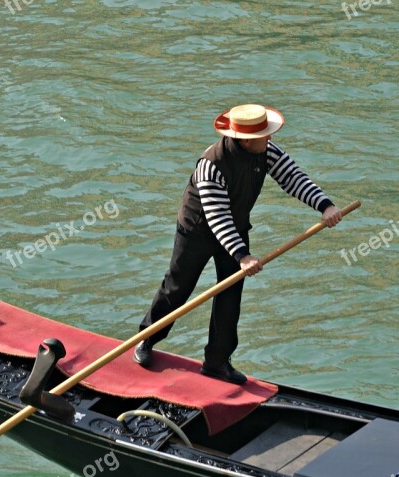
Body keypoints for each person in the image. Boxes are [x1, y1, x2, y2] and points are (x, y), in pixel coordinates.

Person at [134, 104, 343, 384]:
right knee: (177, 286)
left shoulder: (267, 151)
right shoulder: (211, 164)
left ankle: (217, 361)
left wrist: (324, 206)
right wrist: (243, 255)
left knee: (230, 295)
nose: (270, 139)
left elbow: (293, 177)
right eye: (264, 135)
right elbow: (217, 216)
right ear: (245, 139)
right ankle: (146, 338)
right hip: (197, 229)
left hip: (235, 227)